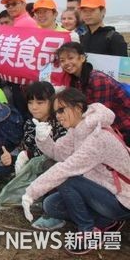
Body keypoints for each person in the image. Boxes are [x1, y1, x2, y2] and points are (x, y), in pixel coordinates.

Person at [22, 88, 130, 256]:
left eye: (61, 110)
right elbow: (58, 153)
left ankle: (88, 231)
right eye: (56, 111)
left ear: (78, 108)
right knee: (51, 205)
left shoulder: (98, 137)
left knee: (67, 179)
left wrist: (31, 192)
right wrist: (43, 139)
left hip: (122, 199)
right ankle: (106, 221)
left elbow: (66, 168)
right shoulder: (77, 129)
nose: (57, 116)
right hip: (102, 190)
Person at [0, 81, 67, 230]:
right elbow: (30, 151)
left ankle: (54, 211)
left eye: (40, 102)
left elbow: (62, 155)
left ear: (52, 102)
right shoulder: (29, 123)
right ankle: (36, 200)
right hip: (37, 168)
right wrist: (12, 159)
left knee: (49, 164)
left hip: (58, 171)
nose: (34, 107)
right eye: (30, 102)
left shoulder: (61, 123)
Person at [56, 42, 130, 143]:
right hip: (105, 128)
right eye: (62, 60)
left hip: (122, 127)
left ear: (82, 58)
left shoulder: (97, 79)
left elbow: (102, 114)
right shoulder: (75, 80)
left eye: (70, 58)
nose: (66, 63)